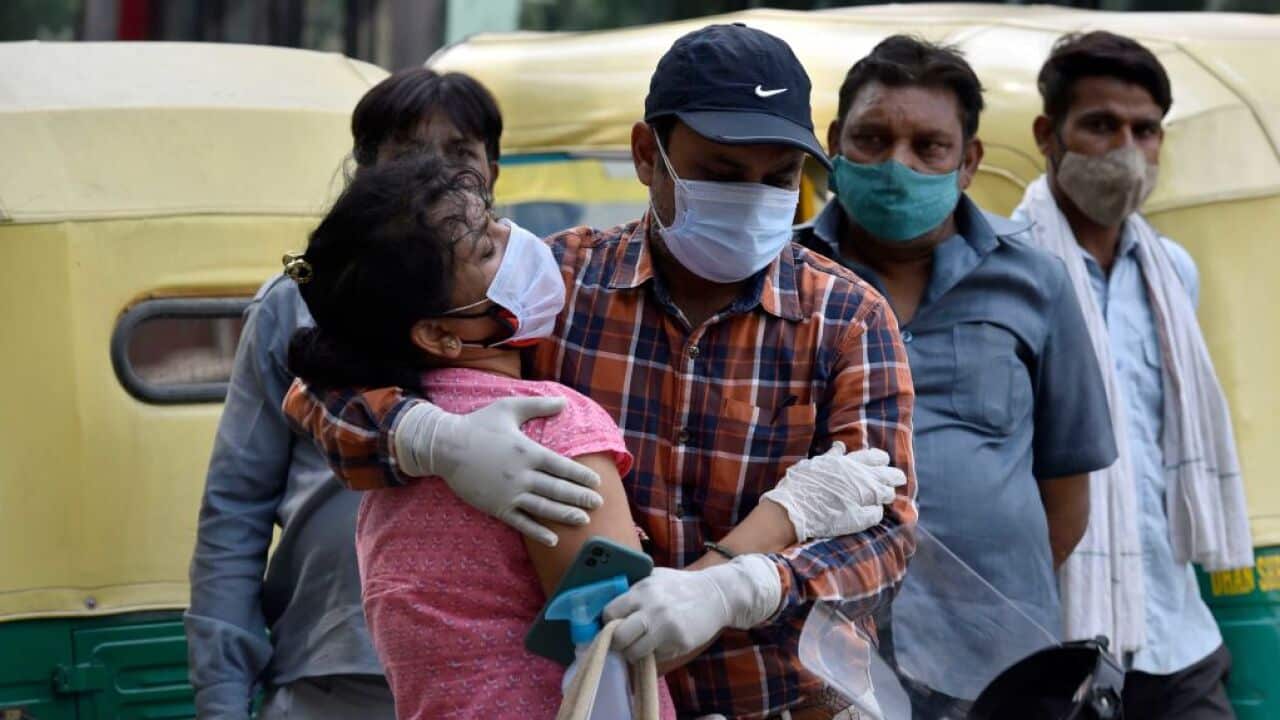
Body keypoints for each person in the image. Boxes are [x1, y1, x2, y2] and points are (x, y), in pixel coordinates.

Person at [284, 23, 917, 720]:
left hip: (786, 702)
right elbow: (323, 388)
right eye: (723, 174)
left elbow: (885, 531)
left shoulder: (846, 318)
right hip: (603, 697)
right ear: (648, 155)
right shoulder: (555, 290)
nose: (753, 199)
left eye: (778, 180)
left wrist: (752, 586)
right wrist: (431, 437)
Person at [793, 35, 1118, 716]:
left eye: (928, 147)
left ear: (967, 162)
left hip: (997, 664)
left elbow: (1067, 491)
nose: (896, 166)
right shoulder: (783, 280)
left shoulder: (1035, 282)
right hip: (818, 658)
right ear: (833, 145)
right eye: (873, 139)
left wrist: (977, 600)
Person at [183, 68, 503, 719]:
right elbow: (236, 503)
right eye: (408, 156)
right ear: (365, 171)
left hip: (492, 666)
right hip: (333, 670)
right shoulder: (294, 305)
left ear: (494, 172)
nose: (437, 177)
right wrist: (221, 693)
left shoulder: (526, 300)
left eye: (460, 156)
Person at [1014, 31, 1252, 720]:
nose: (1126, 148)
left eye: (1145, 130)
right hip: (1057, 644)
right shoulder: (1005, 271)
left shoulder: (1172, 271)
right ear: (1046, 134)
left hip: (1178, 633)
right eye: (1099, 125)